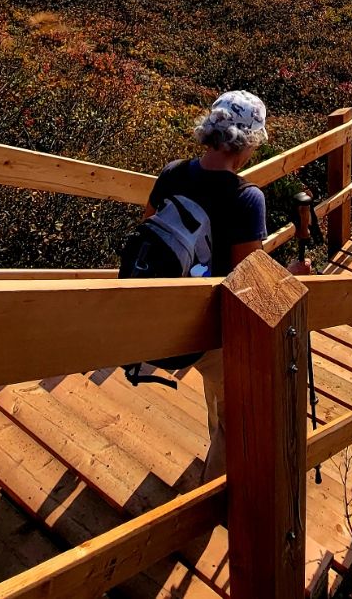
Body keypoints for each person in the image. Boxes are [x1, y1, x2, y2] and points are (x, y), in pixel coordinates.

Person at [144, 91, 271, 479]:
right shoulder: (247, 199)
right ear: (247, 143)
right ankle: (215, 494)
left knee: (216, 392)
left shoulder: (172, 173)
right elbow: (250, 285)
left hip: (165, 322)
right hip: (211, 332)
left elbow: (147, 228)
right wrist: (292, 277)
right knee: (243, 409)